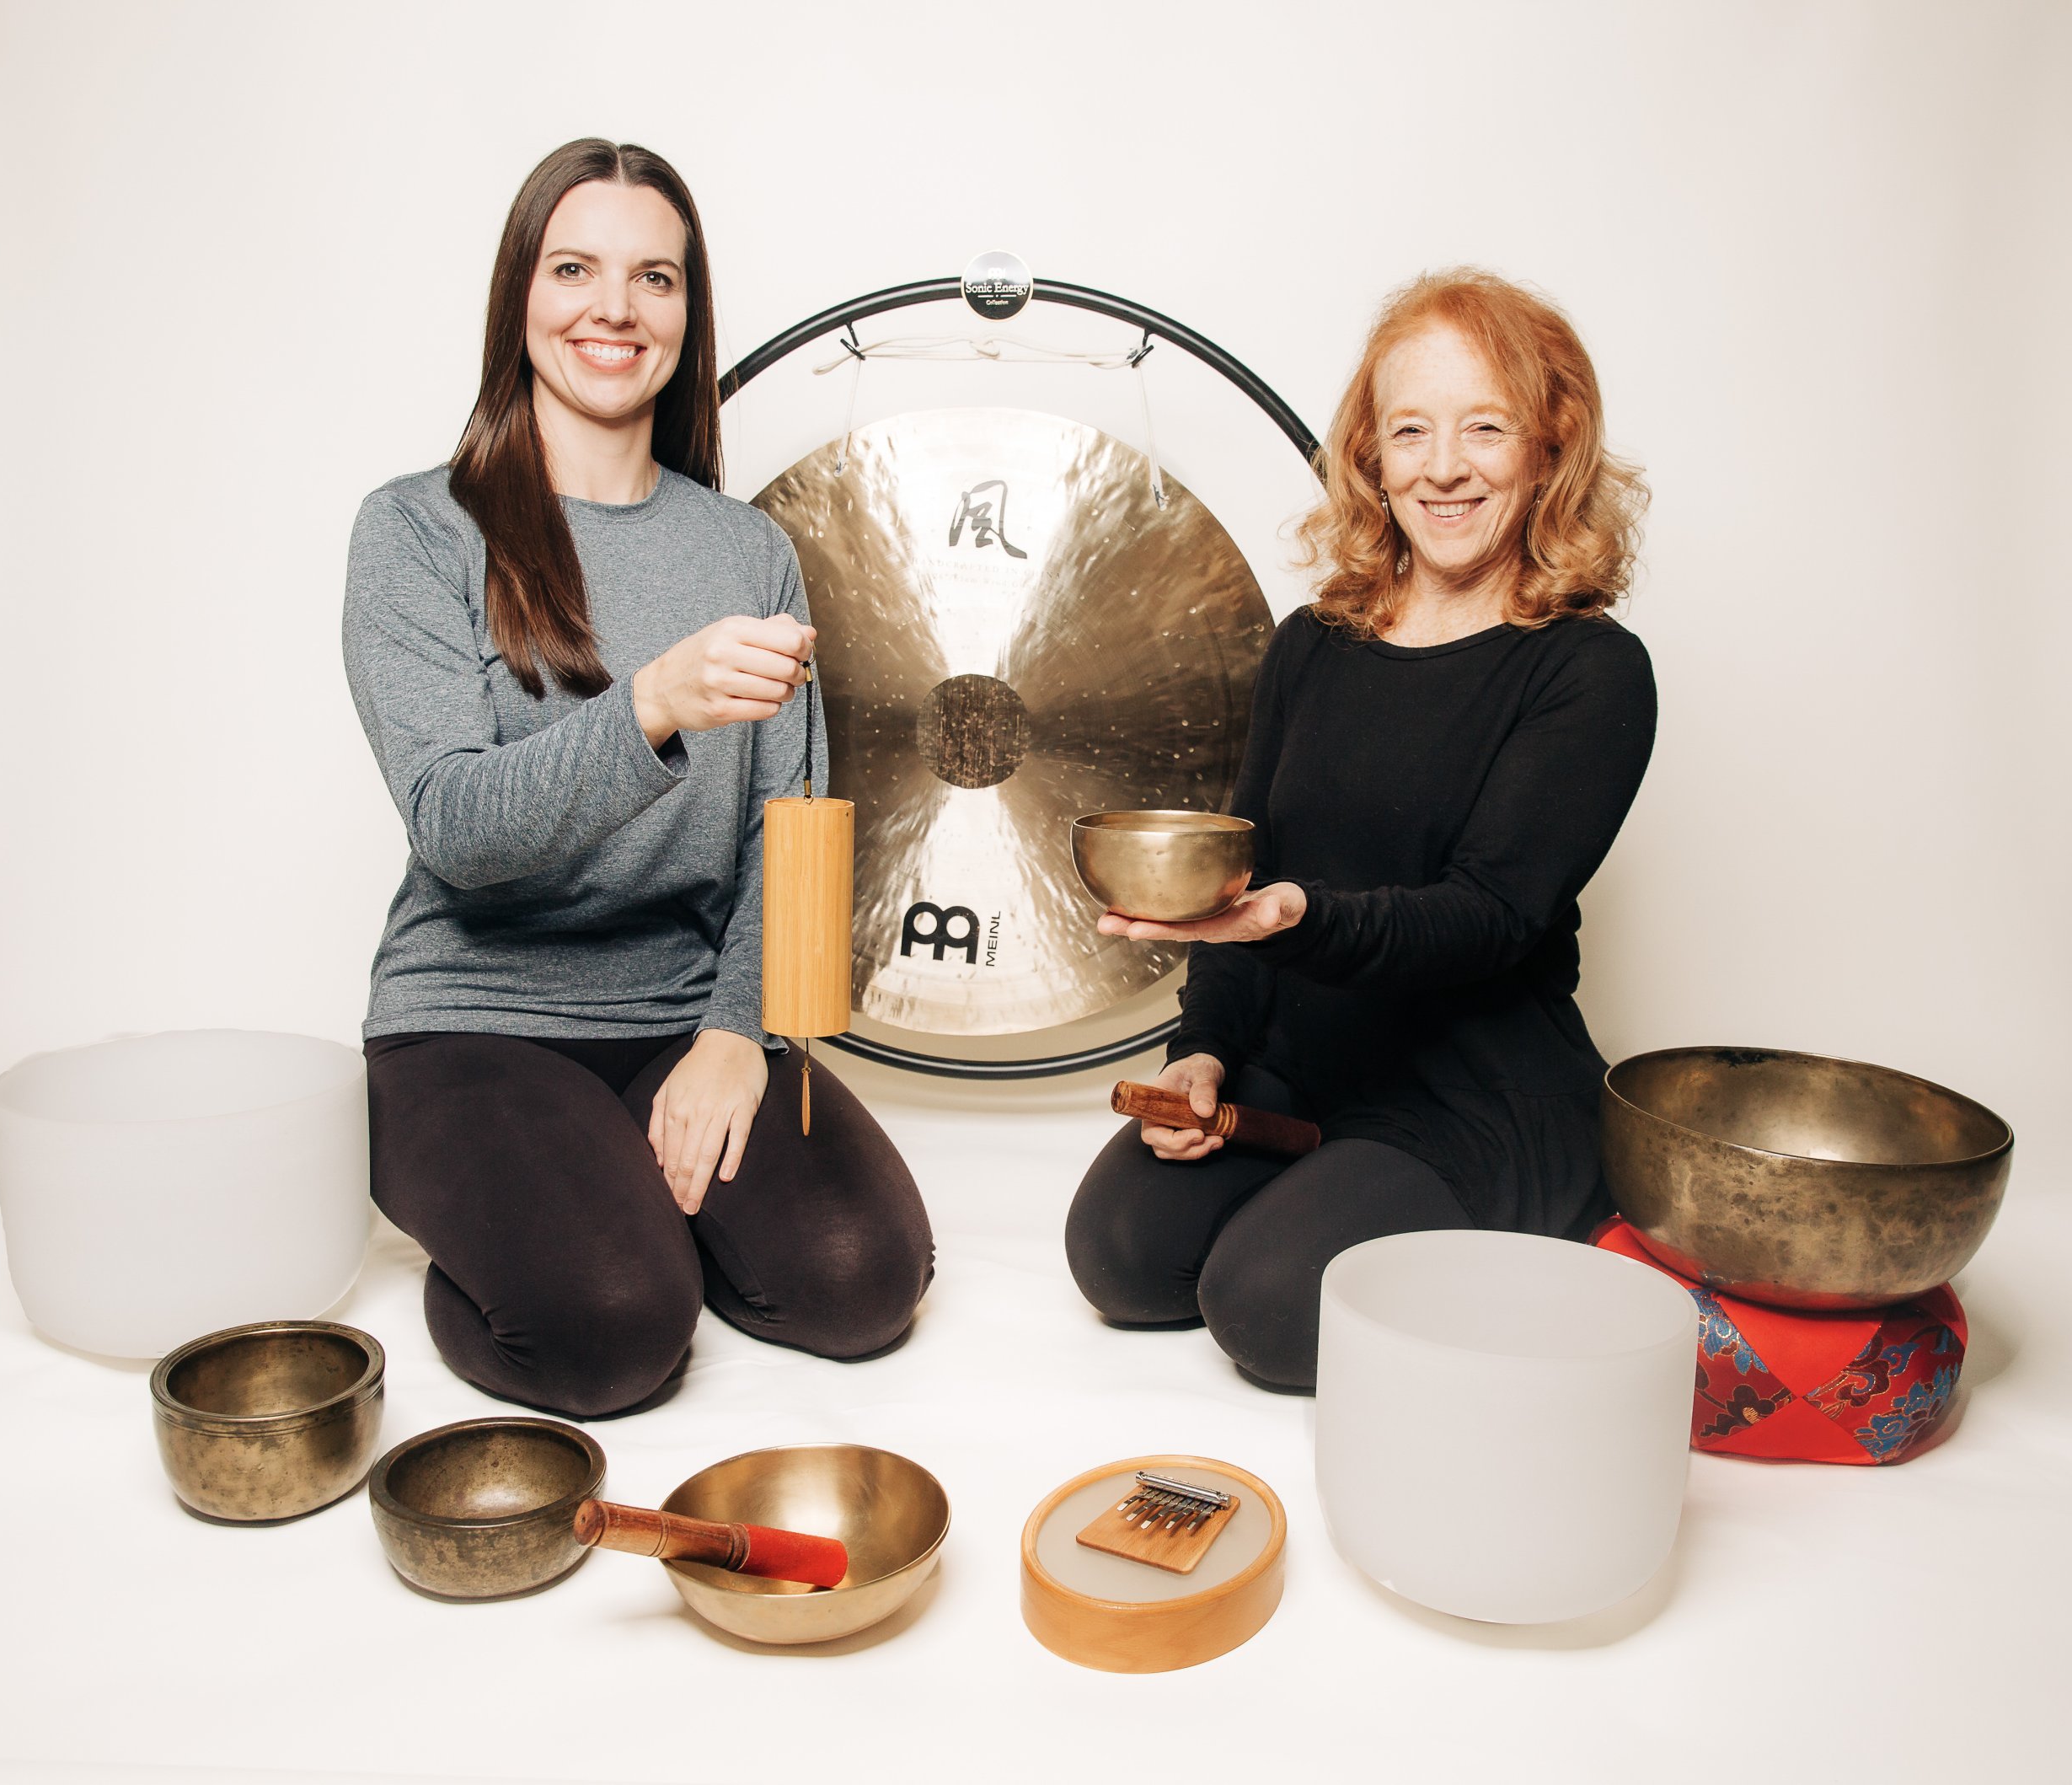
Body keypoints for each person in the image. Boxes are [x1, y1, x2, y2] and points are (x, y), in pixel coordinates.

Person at [341, 139, 932, 1419]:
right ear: (521, 298)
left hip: (680, 1014)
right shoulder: (415, 531)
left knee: (864, 1281)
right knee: (611, 1333)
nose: (614, 307)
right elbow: (456, 828)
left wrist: (737, 1033)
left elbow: (795, 832)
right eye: (575, 269)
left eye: (653, 277)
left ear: (686, 313)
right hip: (474, 1023)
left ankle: (619, 1200)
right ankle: (536, 1245)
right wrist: (651, 706)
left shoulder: (749, 550)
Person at [1065, 268, 1655, 1391]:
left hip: (1472, 1094)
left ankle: (1525, 1223)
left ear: (1549, 447)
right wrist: (1202, 1053)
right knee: (1121, 1255)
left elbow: (1486, 919)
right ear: (1371, 453)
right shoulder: (1312, 645)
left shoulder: (1589, 669)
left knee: (1267, 1308)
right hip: (1306, 1067)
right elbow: (1248, 877)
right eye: (1411, 428)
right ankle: (1326, 1185)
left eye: (1485, 427)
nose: (1443, 466)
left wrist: (1295, 917)